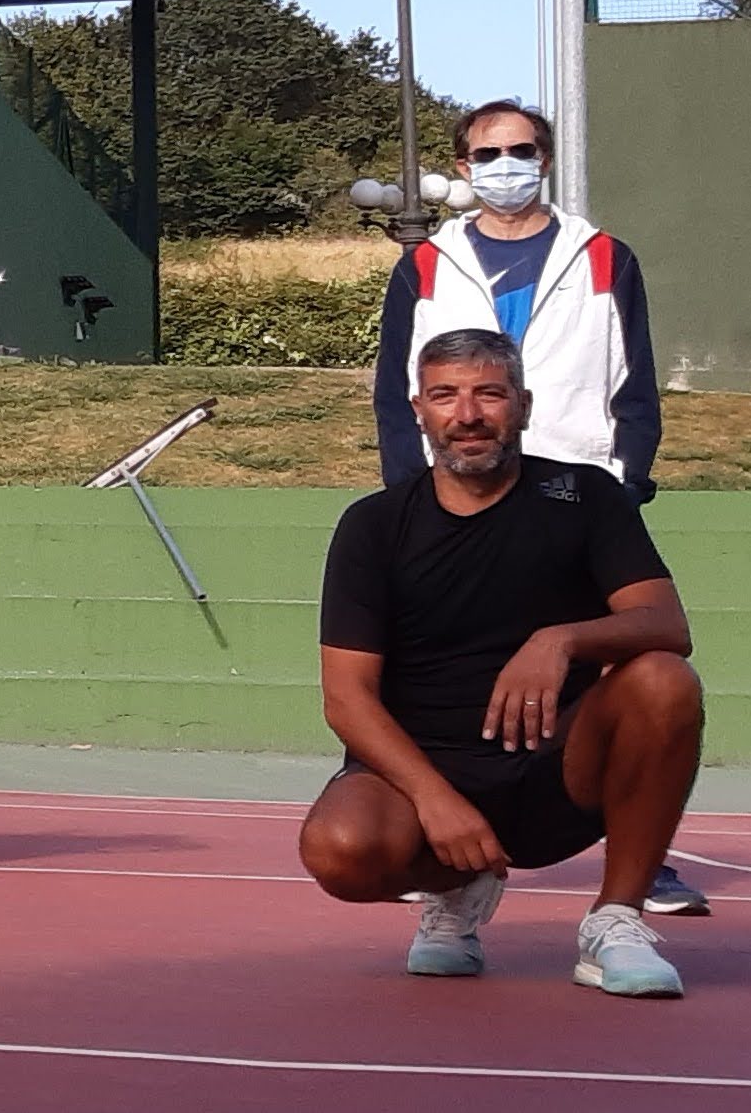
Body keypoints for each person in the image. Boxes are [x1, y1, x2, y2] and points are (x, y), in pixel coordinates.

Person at [370, 100, 704, 915]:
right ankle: (451, 844)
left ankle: (637, 863)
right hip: (458, 493)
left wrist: (618, 490)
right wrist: (409, 496)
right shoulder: (423, 264)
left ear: (545, 159)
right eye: (488, 154)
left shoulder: (600, 256)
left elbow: (633, 379)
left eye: (521, 150)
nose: (505, 166)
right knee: (450, 673)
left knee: (624, 676)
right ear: (462, 168)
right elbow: (392, 393)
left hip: (571, 494)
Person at [300, 328, 705, 998]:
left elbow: (666, 624)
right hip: (422, 774)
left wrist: (561, 639)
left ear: (521, 402)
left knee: (663, 679)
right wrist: (435, 798)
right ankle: (457, 884)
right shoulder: (372, 525)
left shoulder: (584, 496)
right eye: (445, 396)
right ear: (417, 409)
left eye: (487, 393)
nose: (466, 414)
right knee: (338, 850)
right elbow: (345, 697)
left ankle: (616, 921)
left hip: (557, 766)